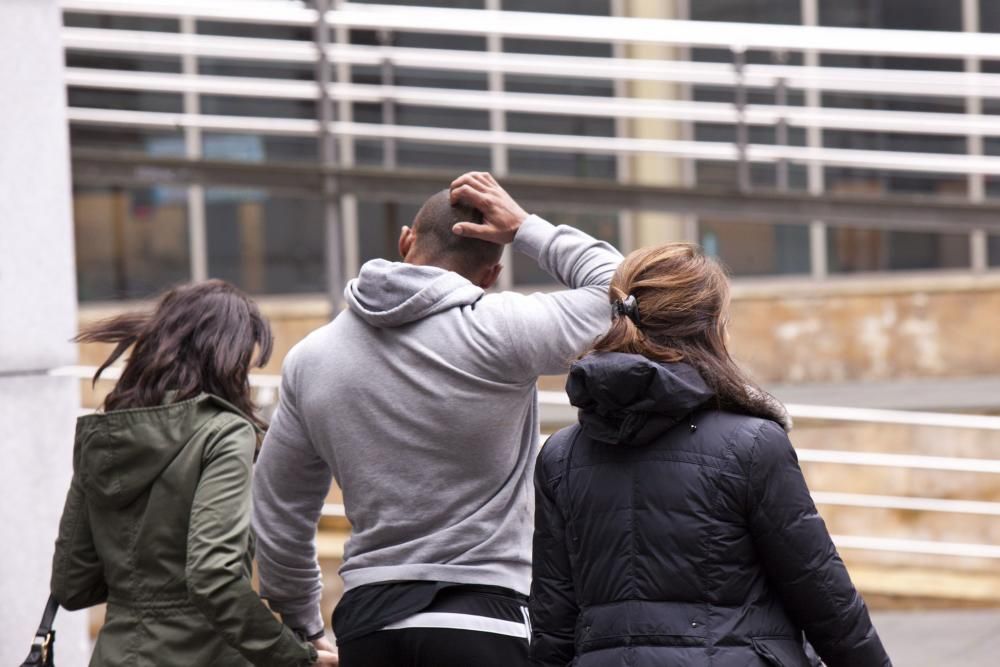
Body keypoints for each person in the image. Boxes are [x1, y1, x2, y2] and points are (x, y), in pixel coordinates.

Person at [252, 172, 623, 666]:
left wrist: (304, 623)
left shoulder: (311, 357)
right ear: (490, 276)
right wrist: (526, 228)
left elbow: (280, 512)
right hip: (484, 618)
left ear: (405, 240)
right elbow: (624, 294)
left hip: (370, 623)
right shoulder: (502, 331)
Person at [530, 244, 891, 667]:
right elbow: (824, 596)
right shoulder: (752, 444)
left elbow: (552, 623)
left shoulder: (561, 456)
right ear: (712, 329)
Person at [50, 280, 338, 667]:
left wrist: (141, 585)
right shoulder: (223, 433)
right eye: (245, 364)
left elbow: (71, 584)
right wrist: (293, 655)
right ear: (225, 358)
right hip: (203, 654)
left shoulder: (105, 434)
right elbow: (213, 577)